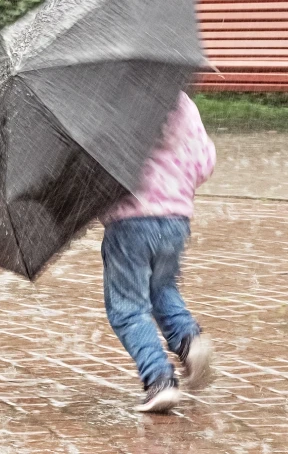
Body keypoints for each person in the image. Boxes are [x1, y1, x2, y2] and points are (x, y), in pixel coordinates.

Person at [99, 90, 215, 413]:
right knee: (161, 287)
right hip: (176, 220)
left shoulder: (110, 105)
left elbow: (96, 168)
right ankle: (189, 342)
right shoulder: (182, 103)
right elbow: (205, 163)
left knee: (127, 308)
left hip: (129, 222)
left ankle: (158, 378)